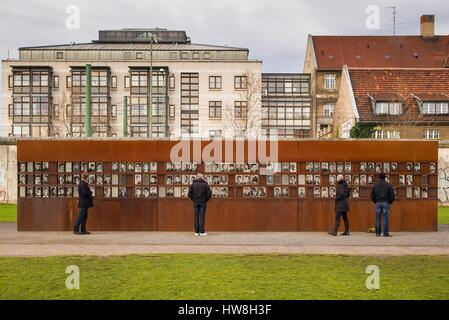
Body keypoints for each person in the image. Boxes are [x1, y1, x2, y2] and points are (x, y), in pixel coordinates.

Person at [371, 172, 395, 237]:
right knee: (385, 218)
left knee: (377, 218)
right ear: (385, 177)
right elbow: (392, 195)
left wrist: (375, 201)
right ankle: (385, 233)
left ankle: (378, 233)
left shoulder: (375, 185)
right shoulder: (388, 185)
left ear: (378, 177)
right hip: (386, 202)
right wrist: (389, 202)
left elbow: (372, 195)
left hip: (378, 202)